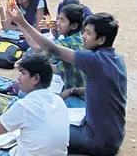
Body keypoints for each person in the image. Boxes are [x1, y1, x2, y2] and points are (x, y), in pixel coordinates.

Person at [9, 11, 127, 156]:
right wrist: (72, 91)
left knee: (40, 127)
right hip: (114, 134)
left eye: (88, 33)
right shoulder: (117, 58)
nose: (83, 36)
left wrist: (22, 22)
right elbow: (100, 89)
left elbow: (53, 49)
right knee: (65, 101)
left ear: (101, 40)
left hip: (98, 140)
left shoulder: (95, 61)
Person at [0, 54, 70, 156]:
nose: (18, 78)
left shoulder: (25, 106)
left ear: (36, 78)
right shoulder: (58, 100)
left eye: (23, 73)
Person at [31, 4, 87, 108]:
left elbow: (39, 50)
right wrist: (55, 32)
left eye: (62, 20)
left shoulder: (68, 43)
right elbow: (57, 67)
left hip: (79, 98)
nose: (57, 23)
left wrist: (22, 24)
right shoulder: (78, 39)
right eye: (58, 19)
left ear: (74, 26)